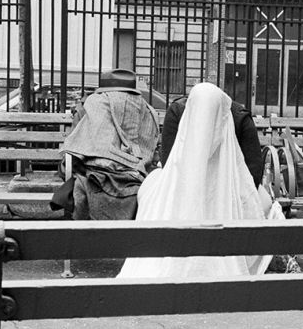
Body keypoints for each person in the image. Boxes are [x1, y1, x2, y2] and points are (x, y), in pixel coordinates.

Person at [117, 82, 283, 278]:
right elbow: (253, 171)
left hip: (193, 187)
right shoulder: (234, 114)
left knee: (151, 188)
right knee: (262, 204)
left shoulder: (180, 111)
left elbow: (170, 162)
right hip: (228, 189)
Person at [52, 69, 159, 220]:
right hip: (138, 176)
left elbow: (76, 149)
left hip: (96, 175)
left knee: (80, 182)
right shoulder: (147, 109)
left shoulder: (95, 103)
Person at [160, 91, 264, 188]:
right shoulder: (178, 112)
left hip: (225, 185)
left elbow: (168, 162)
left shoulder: (240, 118)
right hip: (227, 185)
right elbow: (253, 171)